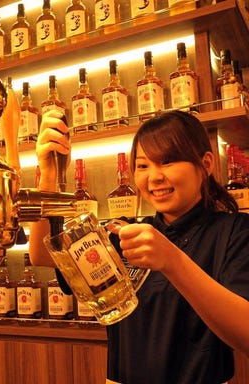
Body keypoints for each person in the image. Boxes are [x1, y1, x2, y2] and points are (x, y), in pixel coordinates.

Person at [29, 109, 249, 384]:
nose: (154, 177)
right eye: (143, 166)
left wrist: (172, 261)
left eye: (167, 161)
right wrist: (48, 177)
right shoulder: (127, 232)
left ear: (206, 164)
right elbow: (41, 255)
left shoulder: (235, 231)